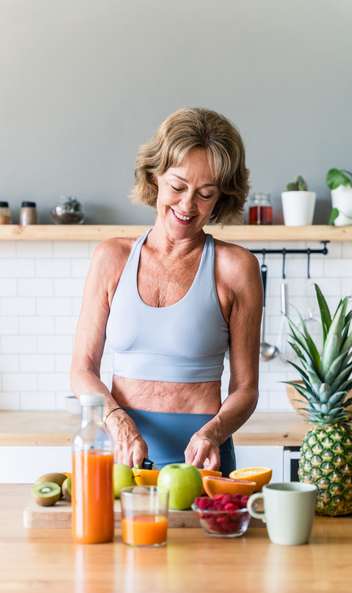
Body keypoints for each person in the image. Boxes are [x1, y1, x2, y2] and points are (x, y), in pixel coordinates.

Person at [70, 107, 263, 476]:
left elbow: (246, 389)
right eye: (177, 187)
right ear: (155, 176)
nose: (188, 206)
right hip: (121, 455)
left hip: (201, 461)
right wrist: (118, 424)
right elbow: (82, 370)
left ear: (222, 197)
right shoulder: (112, 257)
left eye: (205, 194)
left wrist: (213, 433)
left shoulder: (237, 268)